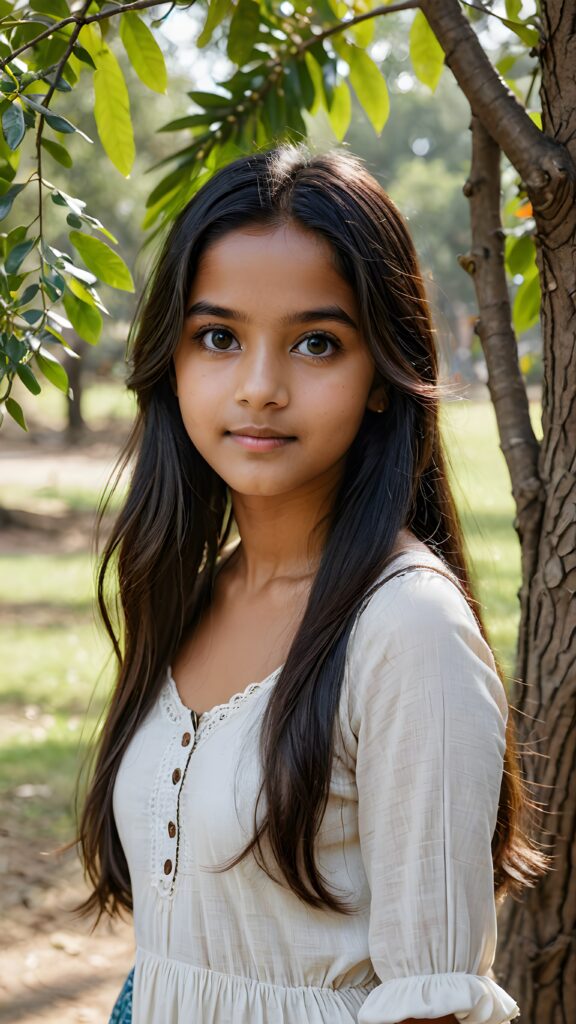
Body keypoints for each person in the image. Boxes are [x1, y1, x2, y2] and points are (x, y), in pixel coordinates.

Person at [77, 145, 545, 1024]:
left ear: (381, 376)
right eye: (218, 337)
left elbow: (429, 1009)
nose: (259, 388)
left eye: (316, 344)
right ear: (171, 362)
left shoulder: (409, 629)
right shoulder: (188, 593)